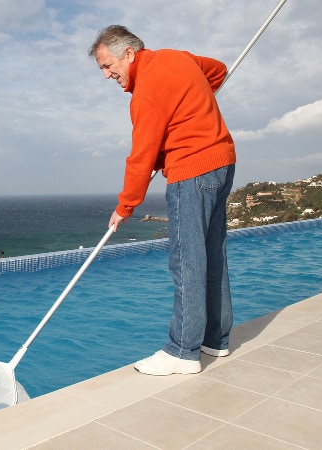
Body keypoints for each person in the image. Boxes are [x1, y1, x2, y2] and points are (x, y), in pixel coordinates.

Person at [89, 25, 236, 375]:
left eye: (108, 66)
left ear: (128, 53)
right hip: (223, 164)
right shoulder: (176, 58)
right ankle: (215, 340)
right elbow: (217, 70)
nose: (107, 75)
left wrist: (125, 207)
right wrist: (191, 103)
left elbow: (141, 157)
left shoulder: (145, 95)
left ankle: (182, 351)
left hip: (191, 172)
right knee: (212, 254)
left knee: (186, 260)